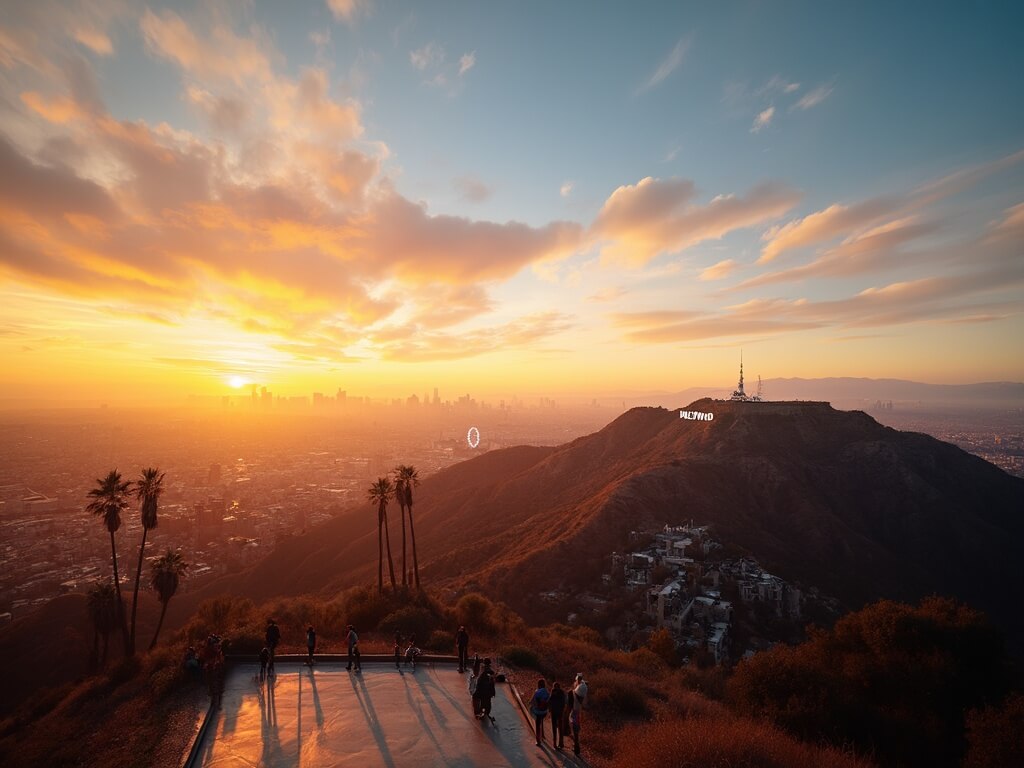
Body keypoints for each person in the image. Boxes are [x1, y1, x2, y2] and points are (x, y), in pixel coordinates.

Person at [529, 678, 550, 746]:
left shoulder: (537, 692)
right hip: (545, 711)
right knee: (541, 720)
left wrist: (531, 703)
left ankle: (538, 740)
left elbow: (532, 701)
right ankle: (543, 734)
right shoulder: (547, 692)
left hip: (538, 712)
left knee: (537, 723)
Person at [571, 673, 588, 755]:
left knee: (575, 731)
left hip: (575, 714)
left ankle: (576, 748)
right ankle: (576, 748)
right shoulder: (583, 691)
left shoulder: (576, 693)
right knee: (576, 731)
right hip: (577, 714)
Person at [476, 658, 496, 722]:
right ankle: (485, 713)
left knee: (483, 703)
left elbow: (479, 682)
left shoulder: (483, 670)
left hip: (483, 691)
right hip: (487, 691)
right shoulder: (490, 672)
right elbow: (492, 684)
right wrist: (493, 692)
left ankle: (483, 713)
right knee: (487, 703)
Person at [548, 680, 566, 749]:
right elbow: (563, 703)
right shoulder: (561, 692)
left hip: (555, 712)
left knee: (555, 728)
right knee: (559, 728)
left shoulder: (555, 692)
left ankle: (556, 743)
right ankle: (560, 743)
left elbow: (550, 701)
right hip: (559, 712)